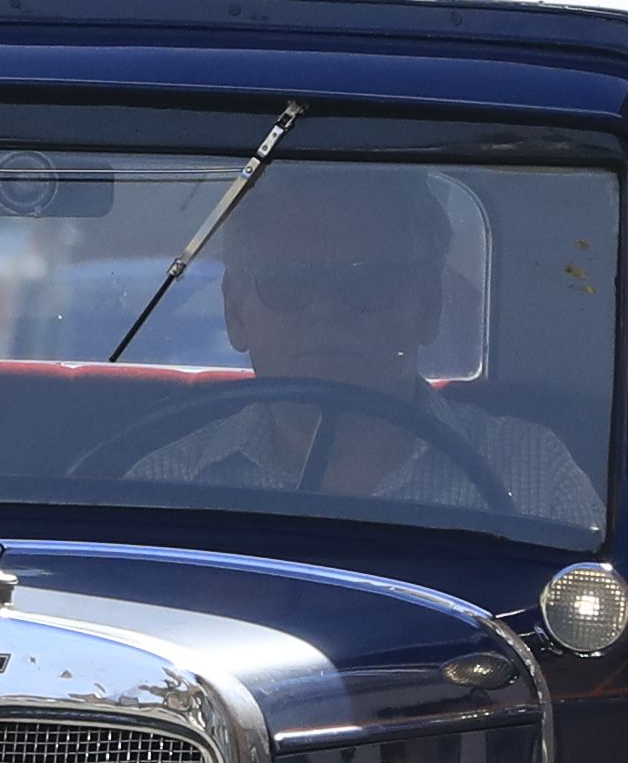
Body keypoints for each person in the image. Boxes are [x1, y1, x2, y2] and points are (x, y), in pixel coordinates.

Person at [112, 165, 593, 523]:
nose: (326, 309)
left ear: (427, 306)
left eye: (369, 281)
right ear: (237, 313)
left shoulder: (529, 472)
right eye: (288, 281)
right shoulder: (167, 484)